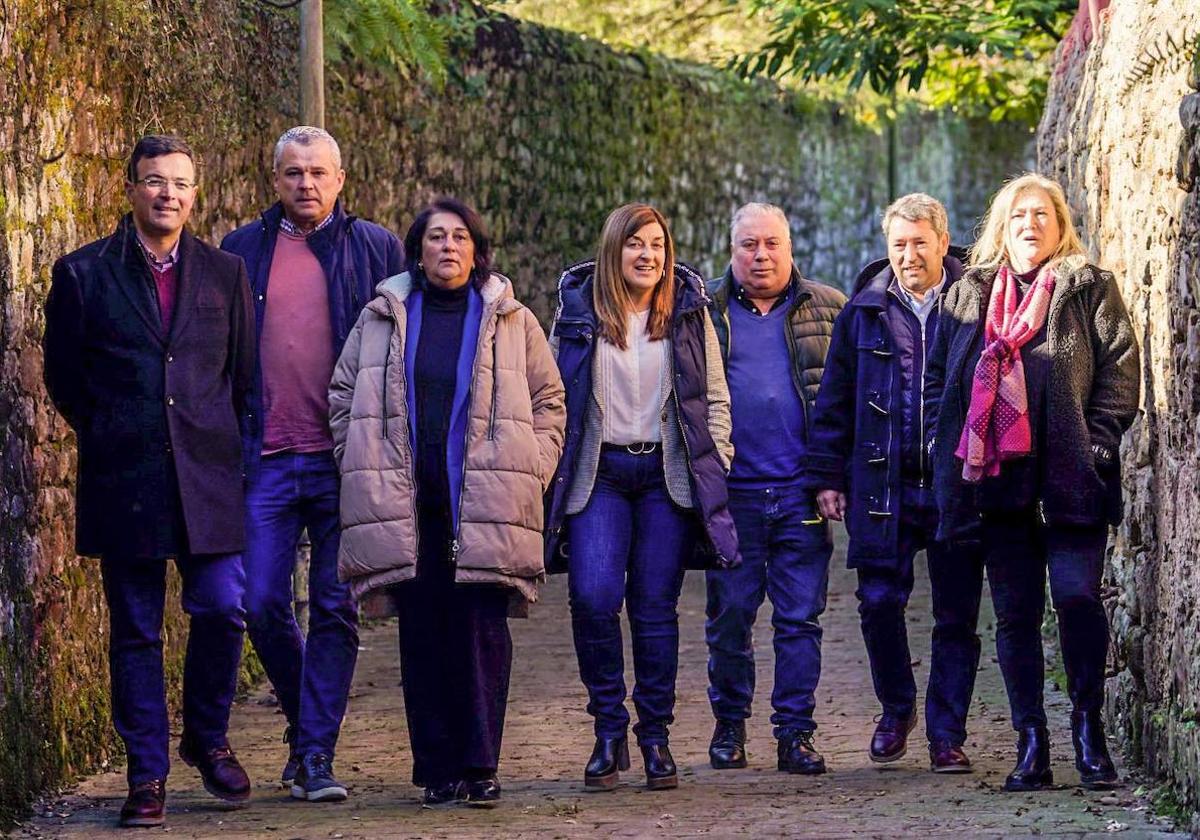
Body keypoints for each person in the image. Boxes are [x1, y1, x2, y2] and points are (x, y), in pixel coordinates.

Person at [43, 135, 255, 827]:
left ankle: (205, 735)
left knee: (223, 607)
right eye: (154, 181)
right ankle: (147, 775)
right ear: (130, 188)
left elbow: (242, 378)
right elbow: (65, 379)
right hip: (125, 474)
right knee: (134, 631)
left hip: (209, 474)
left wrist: (224, 449)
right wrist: (112, 430)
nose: (168, 193)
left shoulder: (225, 274)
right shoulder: (83, 274)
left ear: (196, 194)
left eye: (181, 183)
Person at [329, 197, 565, 808]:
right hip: (411, 504)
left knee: (482, 633)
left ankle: (481, 765)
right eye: (436, 237)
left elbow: (550, 401)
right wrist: (360, 457)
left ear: (478, 250)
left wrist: (530, 469)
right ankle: (436, 768)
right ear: (419, 249)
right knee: (424, 635)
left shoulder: (510, 318)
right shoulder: (383, 316)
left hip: (485, 502)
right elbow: (343, 392)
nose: (448, 247)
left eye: (460, 237)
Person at [925, 173, 1139, 791]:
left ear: (1058, 224)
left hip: (1073, 480)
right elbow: (941, 377)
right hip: (998, 486)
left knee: (1076, 600)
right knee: (1015, 618)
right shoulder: (966, 295)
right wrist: (952, 442)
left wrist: (1098, 441)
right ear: (1002, 225)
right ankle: (1031, 743)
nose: (1029, 224)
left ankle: (1087, 731)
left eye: (1041, 214)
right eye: (1019, 215)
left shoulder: (1089, 288)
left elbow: (1120, 371)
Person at [221, 126, 403, 802]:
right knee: (261, 600)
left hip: (342, 459)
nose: (307, 184)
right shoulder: (241, 250)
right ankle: (307, 730)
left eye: (318, 172)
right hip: (263, 455)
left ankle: (317, 756)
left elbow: (399, 352)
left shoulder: (377, 248)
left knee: (334, 604)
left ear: (341, 178)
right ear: (275, 179)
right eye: (294, 172)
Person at [545, 202, 738, 791]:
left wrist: (718, 457)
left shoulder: (687, 309)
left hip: (664, 476)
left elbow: (715, 395)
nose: (647, 254)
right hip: (598, 474)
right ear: (614, 250)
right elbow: (553, 390)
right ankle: (609, 729)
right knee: (594, 598)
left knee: (654, 610)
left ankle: (655, 737)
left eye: (656, 244)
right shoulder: (577, 311)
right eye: (635, 244)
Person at [806, 193, 981, 772]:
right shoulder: (864, 310)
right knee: (879, 601)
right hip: (882, 484)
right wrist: (828, 475)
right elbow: (834, 401)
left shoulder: (976, 302)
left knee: (956, 614)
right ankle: (896, 707)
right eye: (899, 245)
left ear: (941, 240)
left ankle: (946, 733)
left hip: (957, 483)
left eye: (919, 243)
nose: (909, 255)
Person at [703, 202, 845, 775]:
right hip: (731, 495)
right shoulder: (700, 311)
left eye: (771, 244)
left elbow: (845, 403)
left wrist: (833, 476)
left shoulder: (829, 309)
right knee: (731, 617)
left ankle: (795, 734)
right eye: (748, 245)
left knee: (799, 619)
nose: (760, 255)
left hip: (799, 492)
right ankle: (730, 726)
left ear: (789, 248)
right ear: (731, 249)